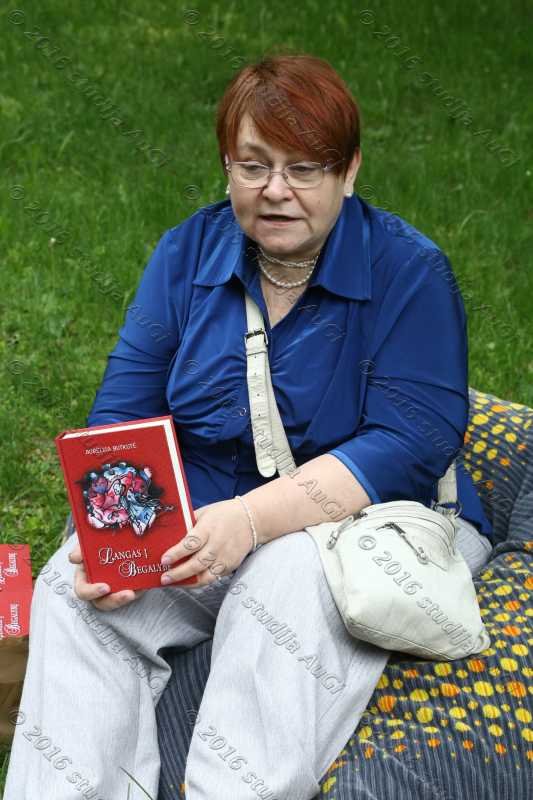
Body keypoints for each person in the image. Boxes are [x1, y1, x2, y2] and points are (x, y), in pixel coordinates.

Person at [4, 53, 494, 800]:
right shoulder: (186, 254)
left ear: (349, 172)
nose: (275, 190)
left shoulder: (410, 271)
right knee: (72, 595)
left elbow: (407, 445)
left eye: (304, 168)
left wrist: (251, 520)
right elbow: (122, 419)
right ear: (227, 167)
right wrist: (113, 541)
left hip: (363, 524)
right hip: (205, 522)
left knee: (284, 574)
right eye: (254, 165)